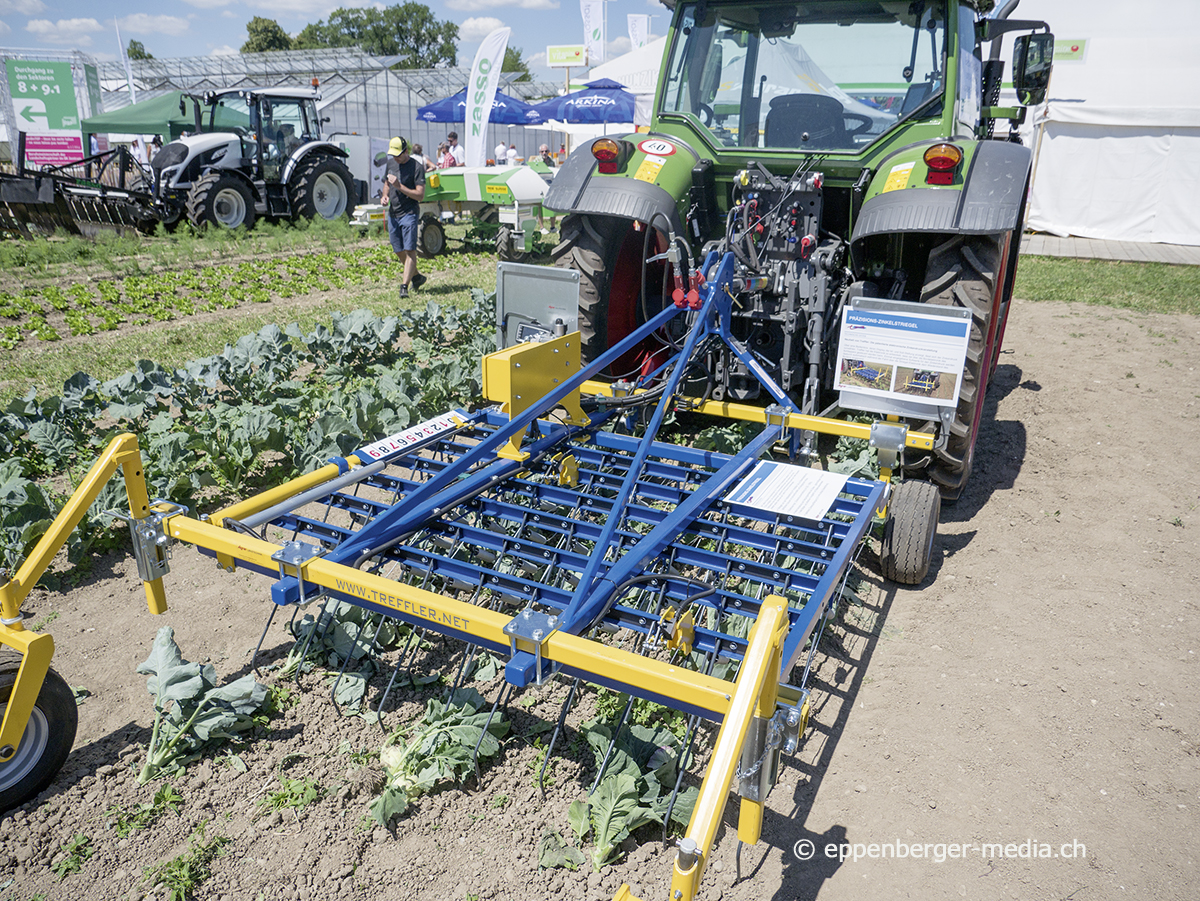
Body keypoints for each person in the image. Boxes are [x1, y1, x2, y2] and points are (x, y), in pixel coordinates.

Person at [380, 136, 427, 299]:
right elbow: (386, 183)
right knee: (398, 250)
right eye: (393, 155)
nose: (395, 158)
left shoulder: (417, 167)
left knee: (409, 250)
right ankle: (417, 277)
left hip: (409, 213)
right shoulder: (391, 163)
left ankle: (404, 286)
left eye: (398, 155)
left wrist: (399, 186)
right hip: (394, 213)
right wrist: (385, 196)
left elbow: (420, 195)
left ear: (406, 151)